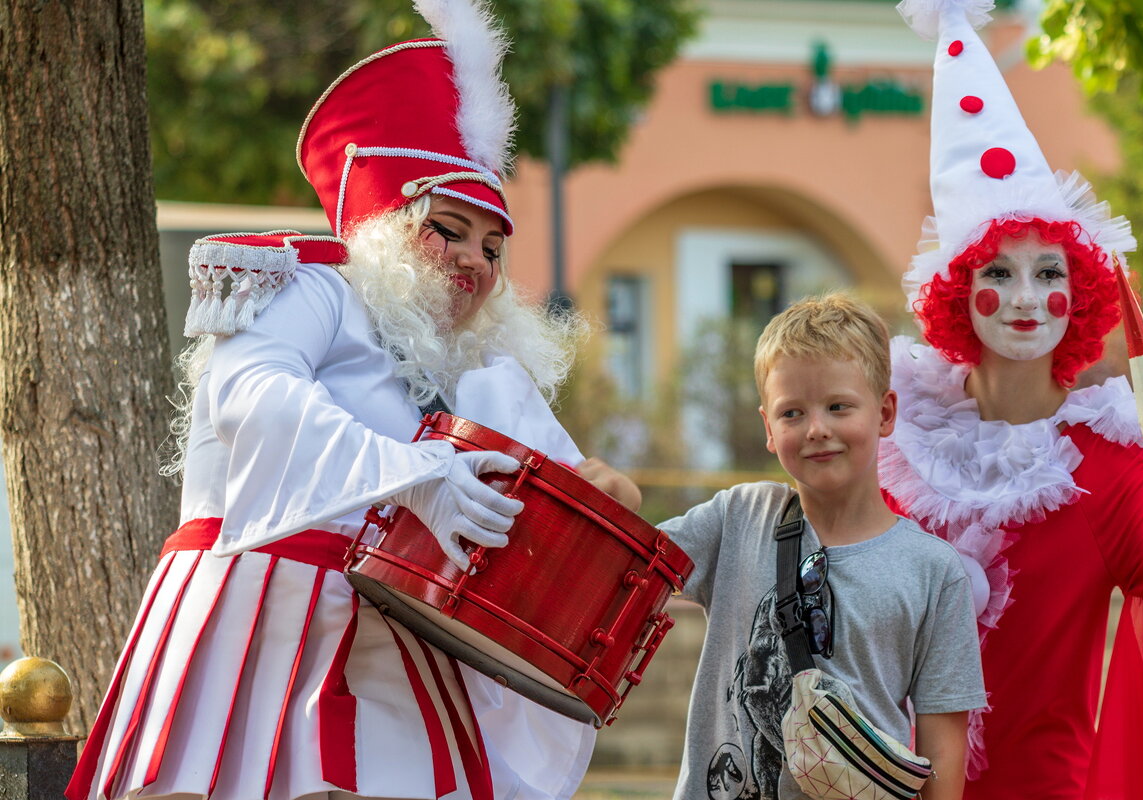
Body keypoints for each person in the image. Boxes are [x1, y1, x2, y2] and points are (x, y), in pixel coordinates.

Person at [65, 1, 639, 798]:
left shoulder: (480, 369)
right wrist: (412, 473)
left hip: (397, 648)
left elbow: (574, 488)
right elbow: (251, 397)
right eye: (449, 229)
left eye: (493, 244)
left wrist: (606, 492)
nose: (475, 259)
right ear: (385, 226)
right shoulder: (306, 288)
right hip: (258, 625)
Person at [884, 1, 1143, 796]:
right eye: (999, 272)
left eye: (1050, 273)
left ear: (1081, 293)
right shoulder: (891, 446)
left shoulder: (1110, 466)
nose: (1025, 297)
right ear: (959, 290)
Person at [661, 293, 986, 800]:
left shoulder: (934, 571)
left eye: (838, 406)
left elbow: (944, 748)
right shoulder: (737, 518)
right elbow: (623, 566)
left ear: (884, 413)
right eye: (792, 413)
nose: (817, 429)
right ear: (769, 428)